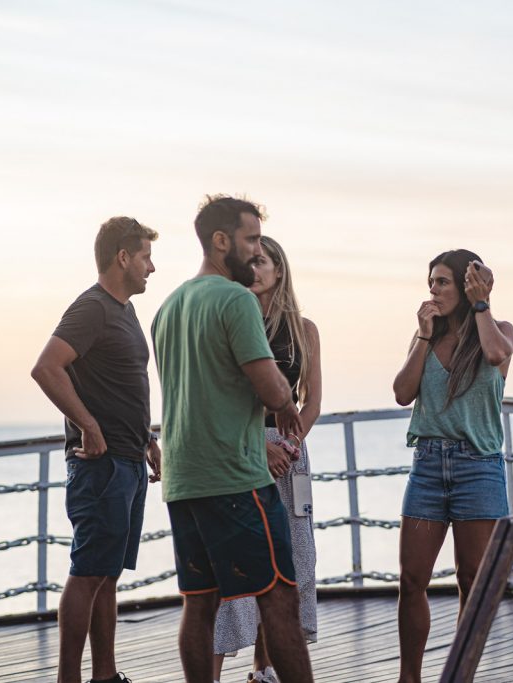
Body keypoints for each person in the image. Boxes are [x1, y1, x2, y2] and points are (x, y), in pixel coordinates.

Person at [151, 196, 314, 683]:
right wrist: (285, 401)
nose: (256, 250)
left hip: (183, 479)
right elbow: (271, 386)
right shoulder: (236, 299)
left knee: (198, 604)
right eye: (250, 240)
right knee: (281, 596)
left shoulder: (170, 306)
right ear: (220, 242)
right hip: (235, 477)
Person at [31, 217, 162, 683]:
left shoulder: (124, 311)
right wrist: (87, 425)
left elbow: (122, 385)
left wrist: (148, 439)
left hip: (127, 460)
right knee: (88, 573)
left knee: (107, 575)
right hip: (101, 466)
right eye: (145, 256)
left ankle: (105, 676)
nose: (152, 266)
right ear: (122, 257)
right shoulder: (92, 308)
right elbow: (46, 368)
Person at [391, 249, 513, 683]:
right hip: (427, 465)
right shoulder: (424, 335)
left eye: (442, 282)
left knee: (472, 582)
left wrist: (482, 304)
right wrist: (424, 336)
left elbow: (497, 355)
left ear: (466, 286)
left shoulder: (498, 330)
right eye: (431, 283)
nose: (433, 290)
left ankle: (460, 675)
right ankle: (411, 677)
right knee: (411, 580)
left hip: (477, 468)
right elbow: (402, 393)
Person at [212, 236, 321, 683]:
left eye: (263, 262)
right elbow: (220, 400)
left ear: (280, 269)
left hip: (291, 454)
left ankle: (266, 669)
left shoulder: (303, 329)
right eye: (249, 262)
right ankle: (211, 674)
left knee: (294, 559)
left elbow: (311, 400)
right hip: (239, 450)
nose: (254, 269)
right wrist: (260, 448)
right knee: (233, 567)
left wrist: (290, 446)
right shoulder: (233, 322)